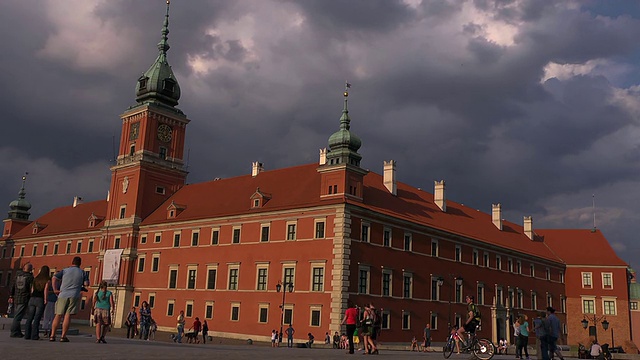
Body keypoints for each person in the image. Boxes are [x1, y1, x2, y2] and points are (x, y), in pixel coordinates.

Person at [49, 257, 89, 342]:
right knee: (68, 315)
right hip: (74, 295)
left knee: (58, 315)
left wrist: (55, 289)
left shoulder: (65, 270)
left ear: (72, 262)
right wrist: (81, 285)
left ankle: (52, 335)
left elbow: (54, 278)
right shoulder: (82, 272)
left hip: (62, 294)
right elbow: (86, 284)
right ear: (80, 263)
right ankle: (63, 336)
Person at [10, 263, 34, 338]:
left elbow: (12, 286)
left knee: (16, 314)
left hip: (16, 297)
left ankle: (18, 331)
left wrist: (11, 296)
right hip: (24, 298)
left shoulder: (17, 276)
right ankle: (14, 332)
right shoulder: (30, 277)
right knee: (18, 317)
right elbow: (31, 289)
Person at [25, 265, 48, 340]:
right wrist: (45, 299)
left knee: (30, 318)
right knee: (37, 318)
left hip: (32, 299)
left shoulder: (35, 279)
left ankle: (27, 335)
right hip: (40, 299)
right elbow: (45, 290)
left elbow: (32, 290)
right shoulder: (47, 280)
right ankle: (34, 335)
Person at [42, 270, 57, 339]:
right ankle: (46, 330)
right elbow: (46, 290)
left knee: (52, 317)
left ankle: (51, 331)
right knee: (48, 316)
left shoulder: (58, 283)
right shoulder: (50, 282)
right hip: (50, 300)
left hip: (55, 301)